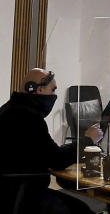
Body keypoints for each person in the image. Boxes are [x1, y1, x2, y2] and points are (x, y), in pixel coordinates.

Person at [0, 69, 102, 213]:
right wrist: (88, 140)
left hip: (9, 194)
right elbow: (56, 159)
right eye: (52, 90)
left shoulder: (7, 109)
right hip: (24, 197)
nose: (54, 96)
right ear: (38, 90)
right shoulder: (29, 118)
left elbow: (45, 153)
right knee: (82, 209)